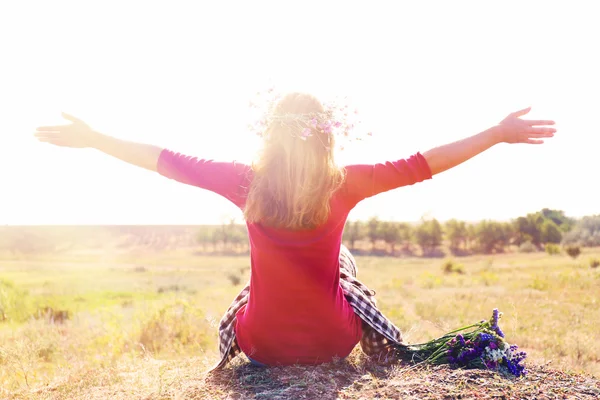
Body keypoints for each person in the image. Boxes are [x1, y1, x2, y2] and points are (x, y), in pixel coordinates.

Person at [34, 92, 555, 369]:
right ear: (326, 138)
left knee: (250, 287)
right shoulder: (345, 184)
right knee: (344, 261)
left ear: (271, 136)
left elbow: (162, 159)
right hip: (333, 342)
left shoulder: (245, 183)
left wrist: (95, 139)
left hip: (262, 344)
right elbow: (426, 163)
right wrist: (496, 134)